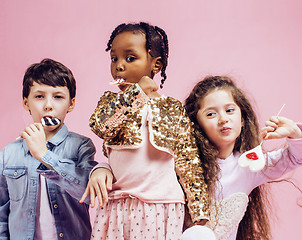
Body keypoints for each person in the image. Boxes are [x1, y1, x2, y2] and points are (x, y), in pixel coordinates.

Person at [80, 22, 213, 239]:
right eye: (114, 59)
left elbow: (188, 161)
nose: (119, 66)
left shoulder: (172, 108)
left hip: (163, 206)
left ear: (156, 65)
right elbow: (101, 126)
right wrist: (137, 93)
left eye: (130, 58)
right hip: (117, 204)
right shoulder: (111, 102)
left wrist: (199, 212)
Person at [182, 75, 302, 240]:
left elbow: (296, 158)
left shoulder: (250, 165)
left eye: (230, 110)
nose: (223, 119)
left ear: (243, 119)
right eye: (211, 114)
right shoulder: (183, 164)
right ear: (196, 125)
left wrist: (295, 133)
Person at [0, 58, 98, 239]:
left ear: (71, 103)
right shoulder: (8, 154)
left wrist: (44, 155)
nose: (48, 105)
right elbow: (1, 214)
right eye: (39, 96)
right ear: (26, 102)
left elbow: (88, 192)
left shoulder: (81, 146)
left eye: (58, 97)